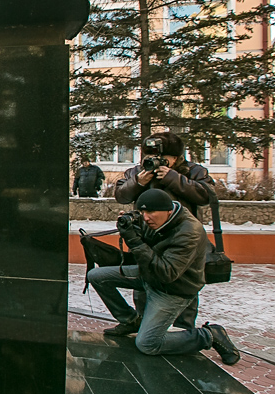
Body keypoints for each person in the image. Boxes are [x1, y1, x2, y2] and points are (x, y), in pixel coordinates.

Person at [87, 189, 240, 365]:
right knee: (96, 276)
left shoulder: (189, 231)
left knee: (147, 344)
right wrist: (133, 226)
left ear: (168, 210)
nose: (146, 218)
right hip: (150, 275)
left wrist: (135, 242)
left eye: (150, 212)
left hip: (172, 289)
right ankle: (131, 321)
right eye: (142, 212)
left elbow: (167, 273)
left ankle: (209, 336)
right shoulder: (157, 220)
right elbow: (149, 249)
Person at [102, 131, 213, 334]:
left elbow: (207, 195)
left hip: (181, 239)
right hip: (147, 237)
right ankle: (140, 322)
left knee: (182, 283)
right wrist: (138, 182)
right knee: (144, 279)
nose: (154, 162)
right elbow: (121, 195)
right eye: (150, 157)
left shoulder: (193, 171)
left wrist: (174, 178)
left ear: (176, 157)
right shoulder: (137, 172)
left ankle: (185, 333)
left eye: (162, 159)